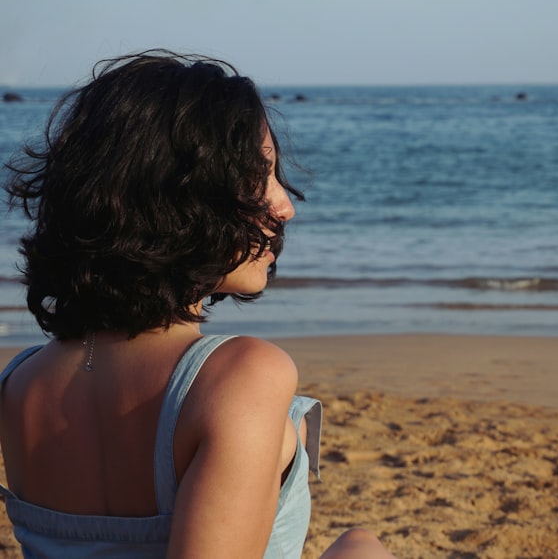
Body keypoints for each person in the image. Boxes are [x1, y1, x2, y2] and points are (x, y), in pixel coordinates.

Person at [0, 51, 396, 558]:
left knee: (359, 543)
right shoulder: (241, 375)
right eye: (261, 175)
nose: (285, 205)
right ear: (181, 197)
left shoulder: (19, 384)